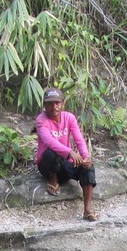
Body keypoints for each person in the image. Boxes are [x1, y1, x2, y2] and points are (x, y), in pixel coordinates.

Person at [35, 87, 98, 221]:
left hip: (64, 164)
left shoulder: (69, 117)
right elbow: (49, 141)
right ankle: (53, 180)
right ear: (44, 105)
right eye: (50, 103)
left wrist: (85, 156)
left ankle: (87, 210)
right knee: (52, 151)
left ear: (63, 104)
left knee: (88, 168)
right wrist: (70, 152)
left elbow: (79, 139)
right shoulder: (41, 120)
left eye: (57, 103)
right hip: (47, 166)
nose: (54, 106)